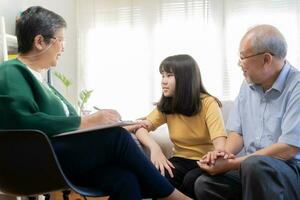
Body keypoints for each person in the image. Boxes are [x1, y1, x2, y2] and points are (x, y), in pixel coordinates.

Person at [0, 6, 192, 200]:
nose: (63, 48)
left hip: (59, 158)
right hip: (38, 161)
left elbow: (65, 127)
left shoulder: (44, 83)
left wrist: (104, 126)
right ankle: (174, 197)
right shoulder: (11, 71)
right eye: (61, 40)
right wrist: (88, 122)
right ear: (40, 41)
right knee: (116, 138)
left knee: (125, 179)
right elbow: (21, 121)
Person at [195, 24, 300, 200]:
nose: (239, 63)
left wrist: (233, 164)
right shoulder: (247, 85)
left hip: (290, 170)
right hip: (252, 168)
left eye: (243, 57)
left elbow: (288, 149)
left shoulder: (296, 87)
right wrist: (224, 155)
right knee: (205, 184)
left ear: (266, 59)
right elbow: (238, 132)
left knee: (254, 166)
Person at [135, 54, 227, 198]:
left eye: (169, 75)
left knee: (191, 180)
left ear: (185, 78)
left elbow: (220, 146)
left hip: (205, 161)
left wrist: (216, 154)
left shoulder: (208, 103)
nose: (163, 81)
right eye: (162, 76)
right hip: (180, 160)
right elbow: (140, 128)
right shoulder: (167, 105)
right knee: (160, 176)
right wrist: (155, 148)